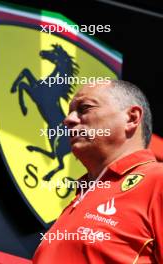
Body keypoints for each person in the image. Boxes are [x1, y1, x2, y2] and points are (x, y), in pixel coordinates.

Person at [33, 80, 163, 263]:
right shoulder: (81, 195)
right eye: (69, 112)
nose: (68, 120)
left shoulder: (157, 181)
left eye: (84, 108)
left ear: (132, 118)